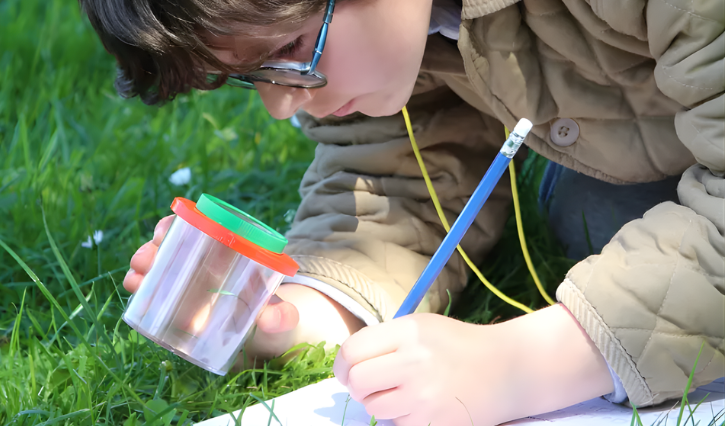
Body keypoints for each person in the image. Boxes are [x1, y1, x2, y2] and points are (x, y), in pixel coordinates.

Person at [79, 0, 724, 424]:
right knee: (593, 210)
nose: (282, 106)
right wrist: (290, 318)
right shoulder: (407, 27)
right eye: (254, 76)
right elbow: (393, 179)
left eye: (293, 48)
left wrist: (523, 363)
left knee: (594, 213)